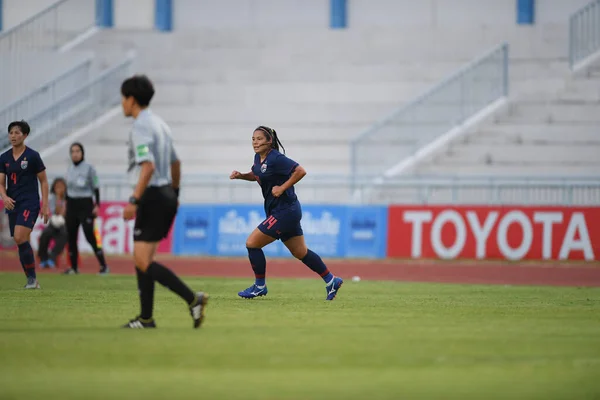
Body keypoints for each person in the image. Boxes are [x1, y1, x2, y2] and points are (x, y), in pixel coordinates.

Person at [120, 74, 208, 329]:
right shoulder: (160, 124)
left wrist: (134, 199)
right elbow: (176, 162)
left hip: (151, 195)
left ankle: (193, 299)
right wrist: (175, 194)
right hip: (165, 193)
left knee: (143, 261)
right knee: (142, 259)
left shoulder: (140, 127)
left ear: (132, 99)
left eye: (123, 99)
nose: (122, 104)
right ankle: (146, 318)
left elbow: (147, 166)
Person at [230, 126, 344, 300]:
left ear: (269, 141)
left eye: (259, 139)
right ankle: (331, 280)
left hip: (285, 211)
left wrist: (282, 187)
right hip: (284, 210)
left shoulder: (276, 158)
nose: (255, 142)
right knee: (300, 252)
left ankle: (259, 286)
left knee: (252, 243)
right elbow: (257, 174)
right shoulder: (258, 158)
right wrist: (241, 176)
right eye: (253, 139)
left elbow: (300, 171)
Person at [0, 120, 50, 289]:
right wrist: (4, 197)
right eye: (11, 133)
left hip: (30, 202)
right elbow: (1, 183)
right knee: (19, 240)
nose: (13, 136)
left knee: (20, 236)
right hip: (12, 203)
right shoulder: (4, 157)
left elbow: (43, 181)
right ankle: (31, 280)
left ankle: (32, 279)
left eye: (17, 133)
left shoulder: (33, 156)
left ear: (25, 135)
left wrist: (45, 205)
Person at [63, 142, 109, 275]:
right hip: (72, 204)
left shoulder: (89, 168)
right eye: (73, 151)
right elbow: (68, 189)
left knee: (90, 236)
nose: (75, 154)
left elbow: (96, 187)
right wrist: (66, 205)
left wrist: (97, 205)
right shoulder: (69, 169)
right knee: (71, 237)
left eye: (77, 151)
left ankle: (103, 266)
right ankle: (74, 268)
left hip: (85, 204)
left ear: (82, 153)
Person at [38, 177, 68, 269]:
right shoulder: (52, 199)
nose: (59, 189)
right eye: (57, 187)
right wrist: (58, 198)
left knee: (64, 235)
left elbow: (63, 214)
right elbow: (56, 212)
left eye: (61, 186)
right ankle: (43, 258)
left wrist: (63, 201)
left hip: (64, 224)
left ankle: (52, 257)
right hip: (53, 223)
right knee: (44, 235)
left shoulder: (69, 198)